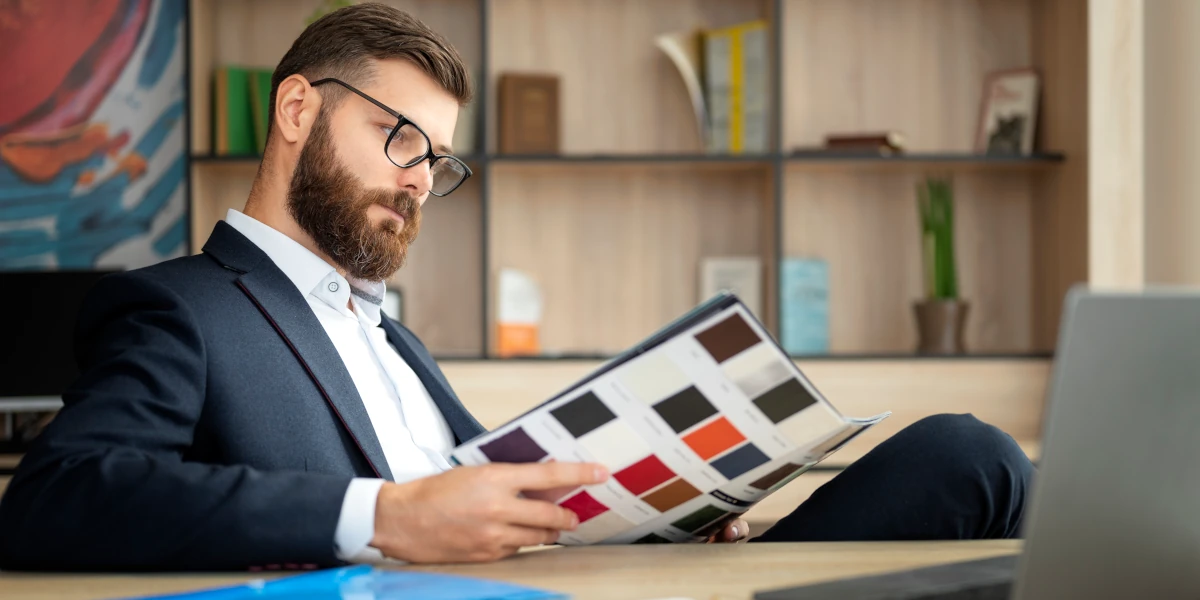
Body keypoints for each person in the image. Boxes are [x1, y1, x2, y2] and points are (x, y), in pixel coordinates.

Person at [0, 3, 1033, 571]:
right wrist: (385, 517)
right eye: (397, 136)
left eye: (438, 161)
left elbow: (496, 499)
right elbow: (55, 498)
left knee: (968, 460)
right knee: (975, 459)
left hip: (602, 579)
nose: (419, 178)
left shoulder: (392, 340)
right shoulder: (185, 306)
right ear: (299, 109)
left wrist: (666, 508)